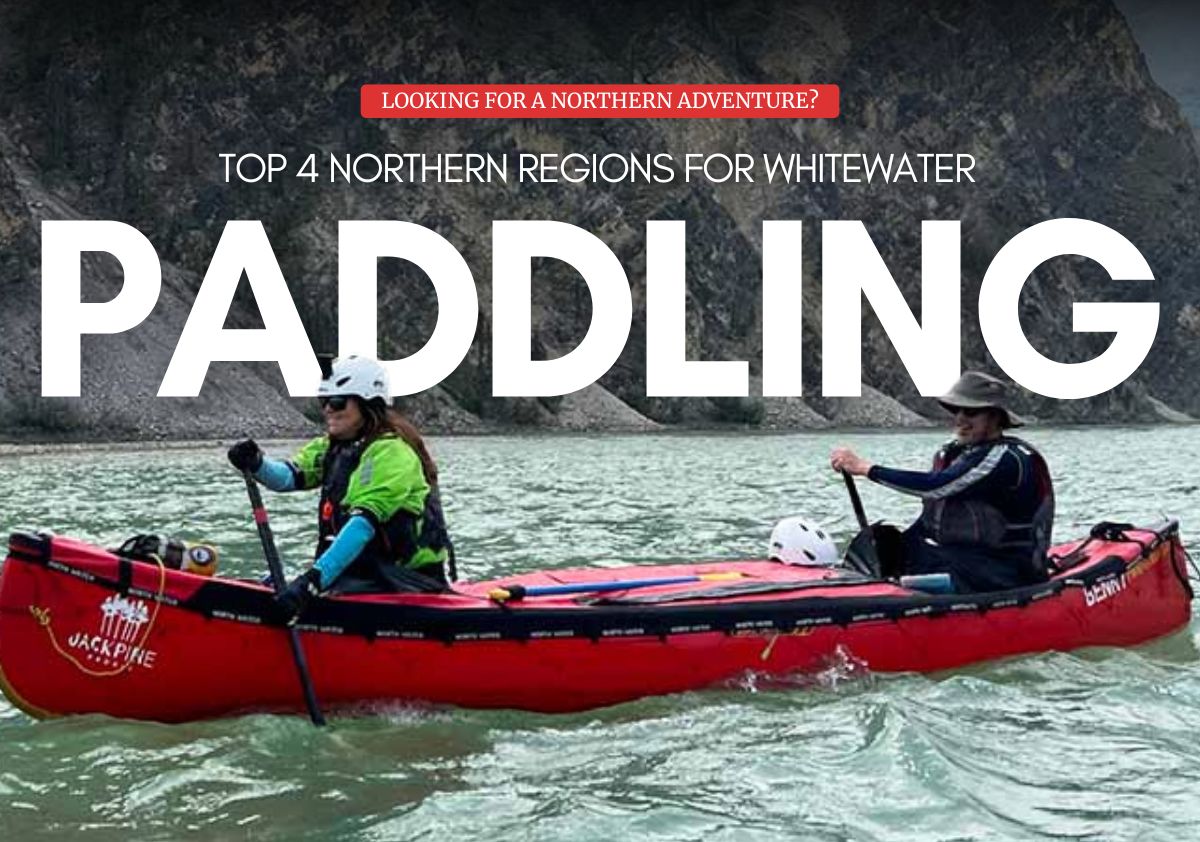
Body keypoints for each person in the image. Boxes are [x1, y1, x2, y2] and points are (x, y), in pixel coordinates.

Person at [228, 355, 454, 622]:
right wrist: (257, 463)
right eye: (324, 401)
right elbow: (287, 477)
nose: (328, 410)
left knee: (308, 588)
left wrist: (310, 583)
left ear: (367, 403)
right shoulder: (332, 446)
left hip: (404, 581)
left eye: (337, 402)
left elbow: (363, 526)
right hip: (359, 575)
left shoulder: (392, 453)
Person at [829, 370, 1054, 593]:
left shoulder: (1005, 459)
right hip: (963, 558)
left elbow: (936, 486)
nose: (961, 419)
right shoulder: (955, 454)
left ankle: (899, 592)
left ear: (995, 418)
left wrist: (866, 469)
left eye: (971, 412)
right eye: (956, 410)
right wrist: (892, 549)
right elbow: (932, 517)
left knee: (915, 568)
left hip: (1004, 571)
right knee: (886, 544)